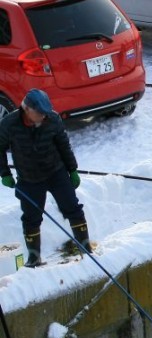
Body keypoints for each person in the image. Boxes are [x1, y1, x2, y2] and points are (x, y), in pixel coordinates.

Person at [0, 89, 91, 267]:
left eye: (45, 112)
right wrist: (4, 173)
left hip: (56, 172)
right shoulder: (9, 124)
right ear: (27, 109)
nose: (44, 116)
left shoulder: (52, 119)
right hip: (29, 178)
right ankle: (34, 258)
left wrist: (72, 169)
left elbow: (64, 144)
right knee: (31, 217)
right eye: (40, 113)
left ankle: (86, 249)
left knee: (72, 207)